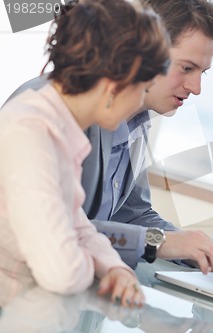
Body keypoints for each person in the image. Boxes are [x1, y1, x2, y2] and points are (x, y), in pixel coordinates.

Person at [5, 0, 213, 287]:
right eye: (186, 68)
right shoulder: (55, 117)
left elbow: (130, 216)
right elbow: (65, 234)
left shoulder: (135, 121)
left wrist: (193, 250)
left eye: (202, 72)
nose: (196, 88)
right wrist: (156, 244)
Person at [0, 0, 170, 306]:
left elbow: (78, 224)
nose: (141, 104)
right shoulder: (32, 131)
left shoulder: (61, 128)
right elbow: (61, 272)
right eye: (142, 90)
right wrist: (93, 268)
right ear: (112, 87)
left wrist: (115, 268)